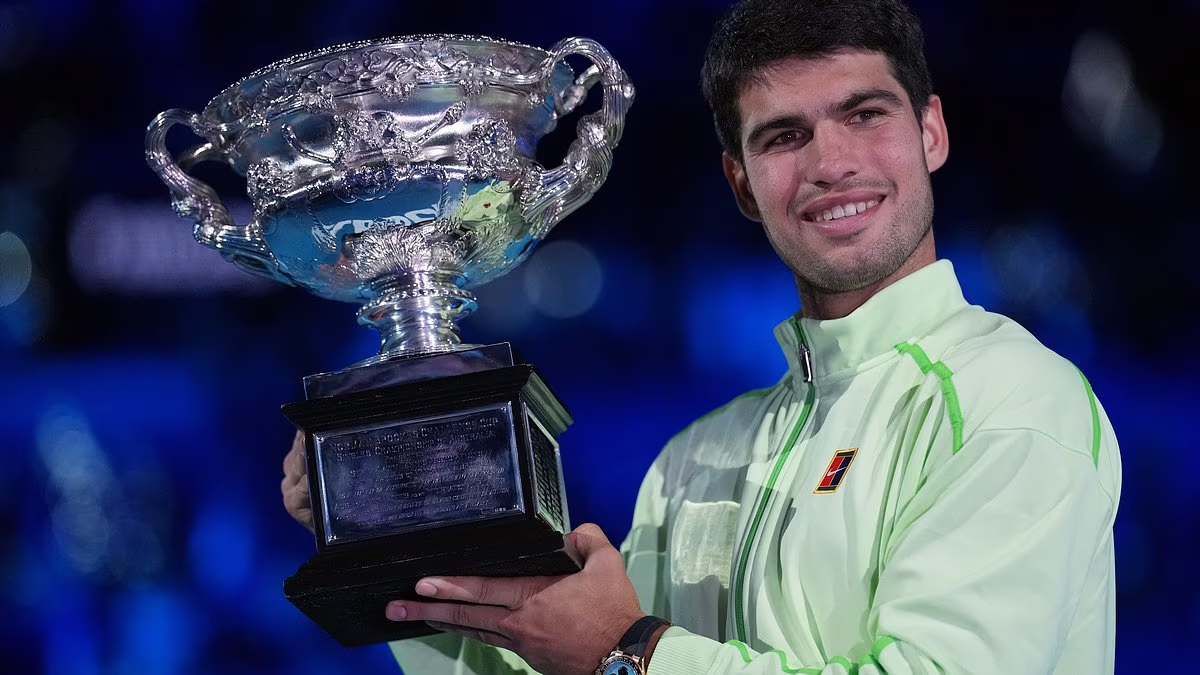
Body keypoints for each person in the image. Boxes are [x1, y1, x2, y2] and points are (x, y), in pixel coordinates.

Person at [281, 0, 1121, 672]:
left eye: (865, 114)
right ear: (742, 183)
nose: (831, 162)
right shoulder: (693, 459)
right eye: (783, 136)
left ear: (930, 132)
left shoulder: (1008, 402)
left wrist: (634, 650)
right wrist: (397, 527)